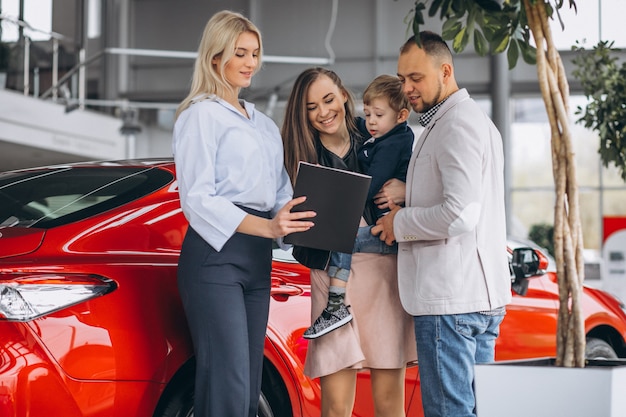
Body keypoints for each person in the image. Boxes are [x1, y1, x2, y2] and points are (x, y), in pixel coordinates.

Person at [171, 11, 315, 417]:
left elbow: (280, 195)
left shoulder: (264, 125)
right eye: (241, 53)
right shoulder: (200, 115)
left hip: (258, 260)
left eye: (255, 53)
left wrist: (299, 221)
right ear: (217, 58)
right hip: (215, 259)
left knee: (249, 388)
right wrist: (269, 225)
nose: (251, 62)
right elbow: (197, 199)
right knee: (229, 383)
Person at [372, 31, 512, 417]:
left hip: (450, 301)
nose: (407, 88)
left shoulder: (455, 125)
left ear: (445, 71)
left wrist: (399, 222)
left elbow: (460, 212)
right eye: (402, 79)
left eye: (415, 78)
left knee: (449, 412)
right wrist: (409, 190)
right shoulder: (467, 121)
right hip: (474, 296)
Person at [282, 67, 416, 417]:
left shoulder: (379, 131)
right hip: (331, 281)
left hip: (382, 272)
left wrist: (407, 189)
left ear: (343, 94)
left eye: (328, 99)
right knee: (336, 407)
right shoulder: (299, 153)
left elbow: (430, 181)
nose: (323, 112)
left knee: (389, 403)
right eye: (312, 107)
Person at [303, 74, 414, 339]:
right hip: (385, 231)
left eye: (378, 115)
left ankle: (335, 306)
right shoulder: (381, 135)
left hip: (387, 233)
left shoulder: (391, 142)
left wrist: (336, 196)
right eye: (368, 114)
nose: (371, 122)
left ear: (401, 115)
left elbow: (370, 186)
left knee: (344, 239)